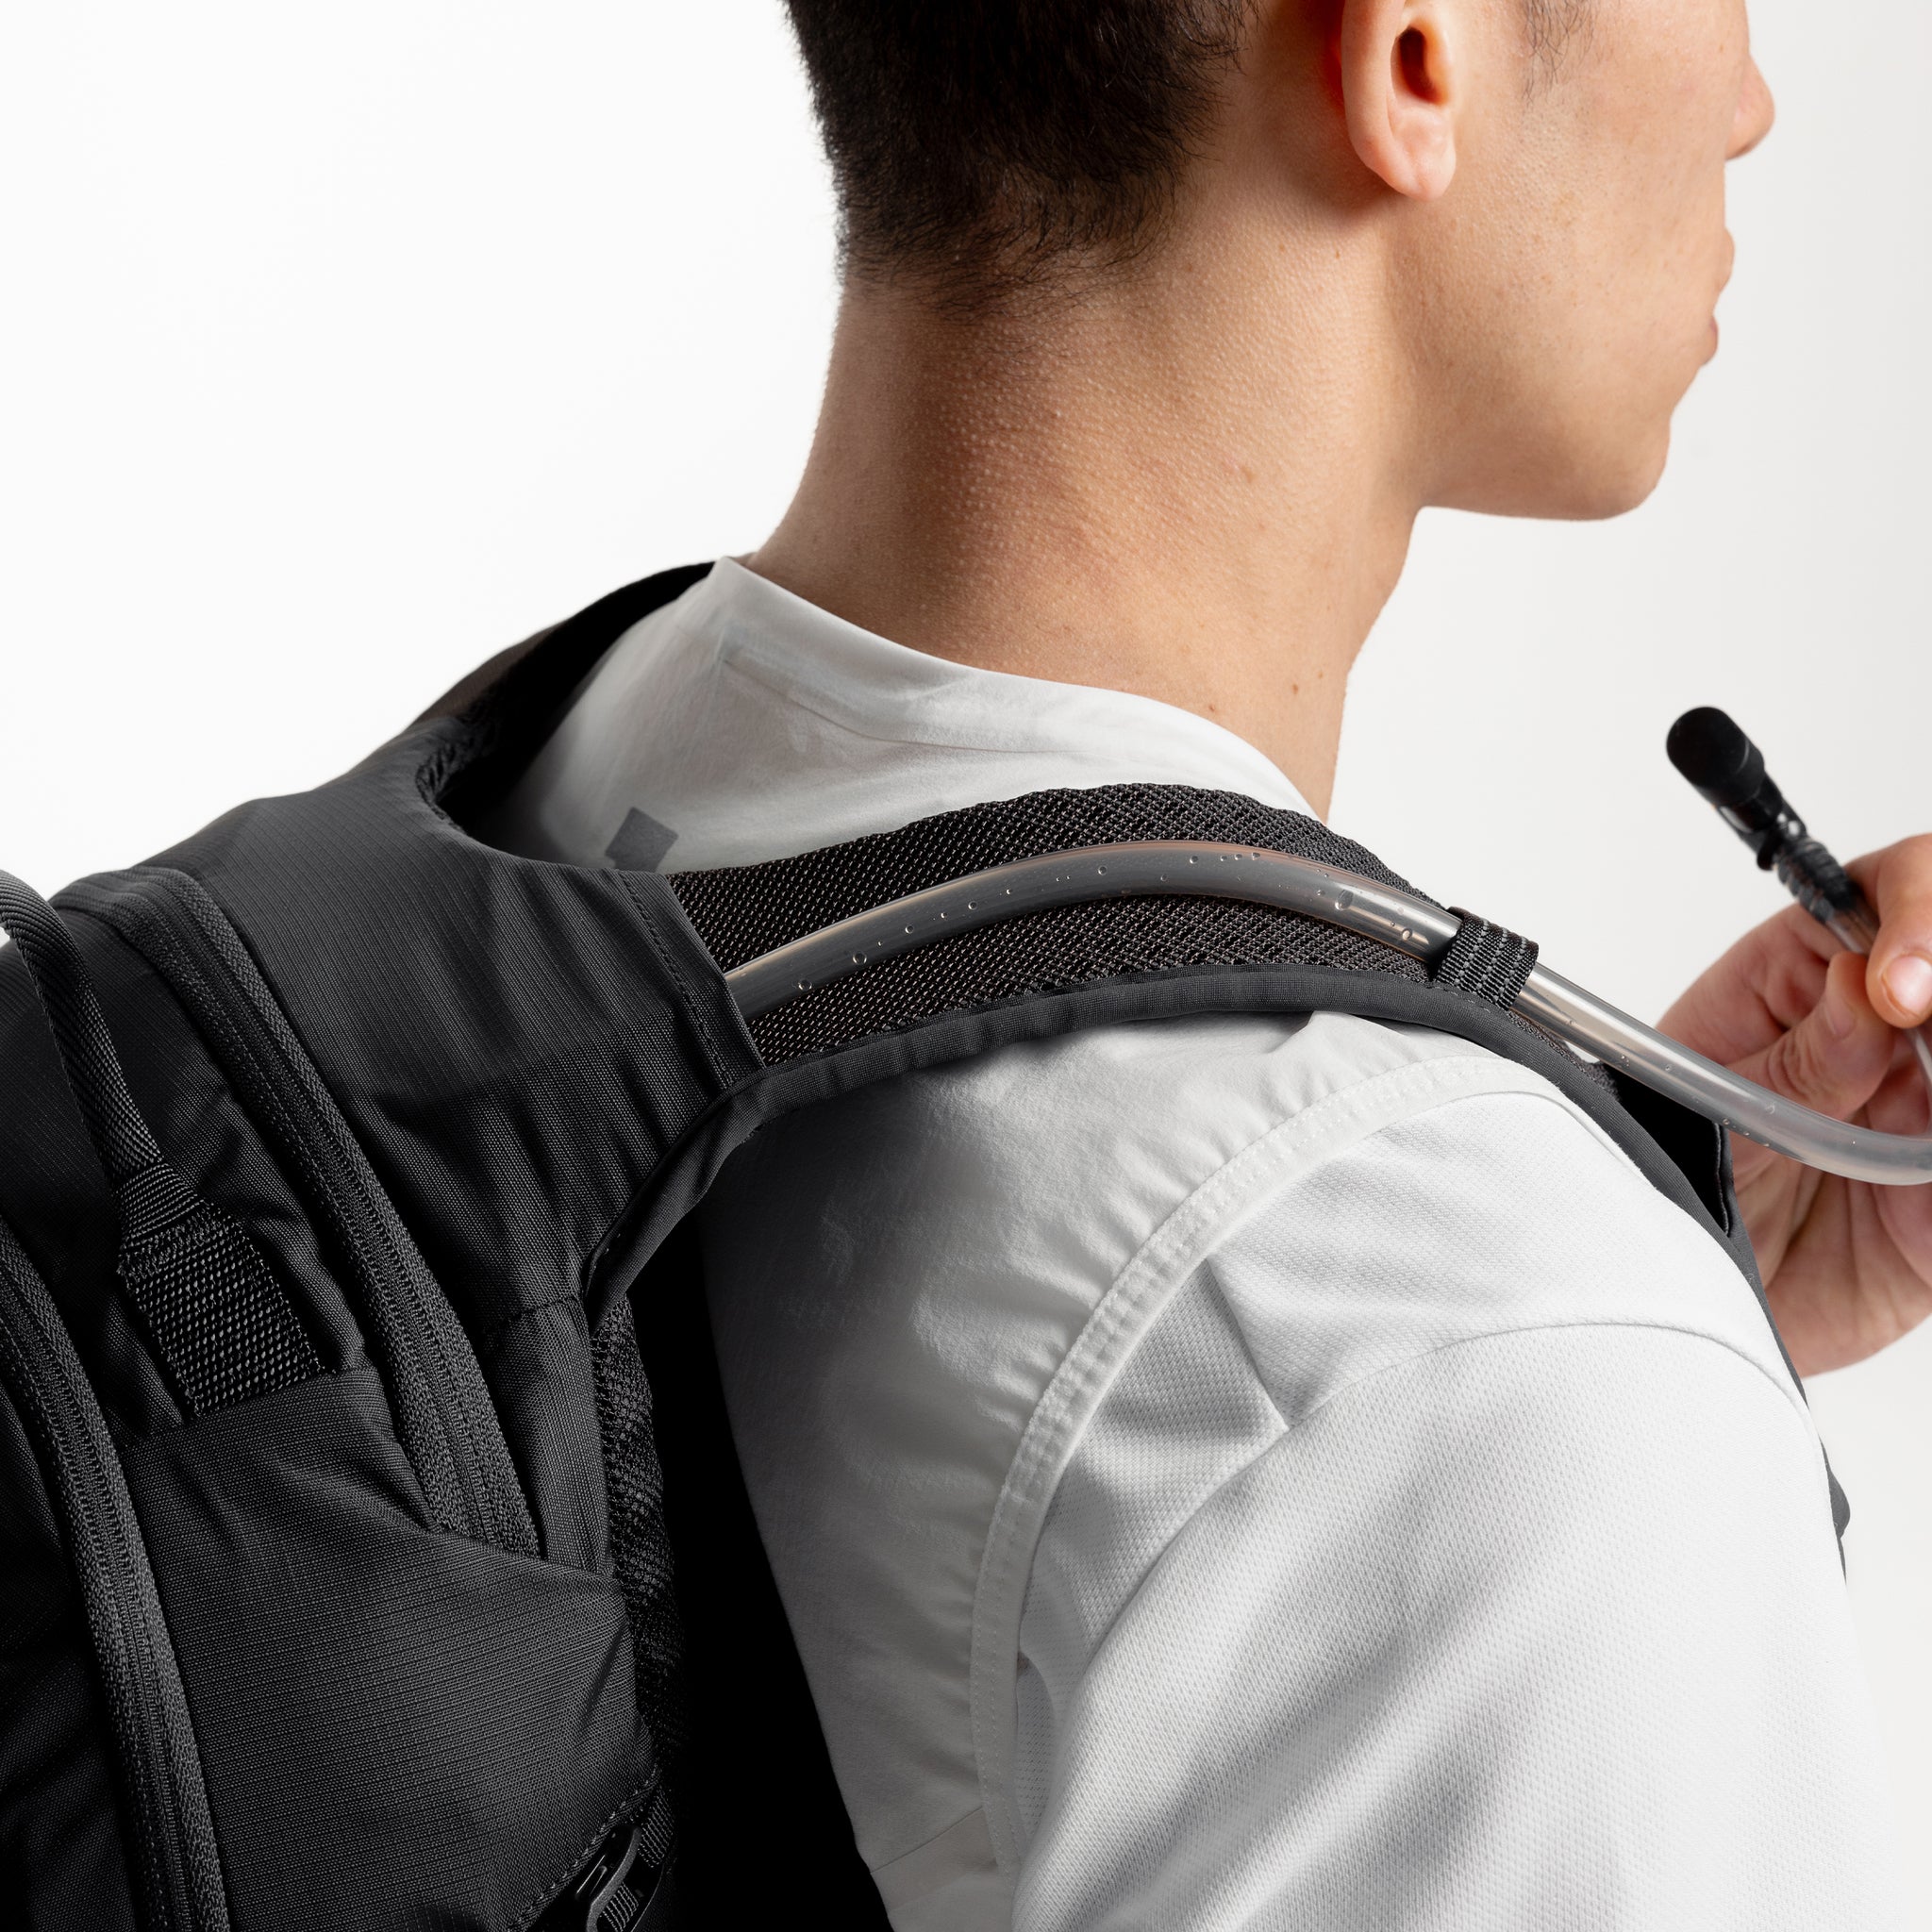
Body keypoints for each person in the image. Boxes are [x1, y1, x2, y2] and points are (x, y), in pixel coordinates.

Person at [491, 1, 1928, 1922]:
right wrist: (1553, 1347)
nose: (1753, 97)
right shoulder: (1472, 1378)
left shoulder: (575, 774)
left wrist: (1672, 1237)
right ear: (1411, 52)